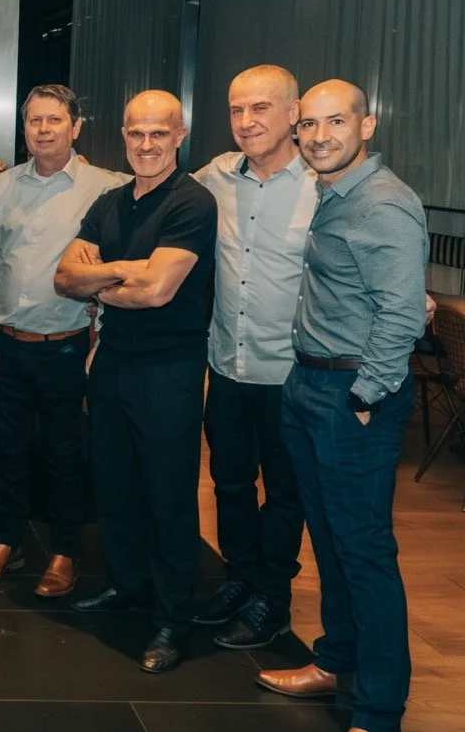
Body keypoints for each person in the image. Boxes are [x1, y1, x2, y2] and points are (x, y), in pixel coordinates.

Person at [255, 81, 428, 732]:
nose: (320, 135)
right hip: (309, 386)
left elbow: (402, 315)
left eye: (336, 121)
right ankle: (335, 661)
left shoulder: (384, 204)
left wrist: (365, 397)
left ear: (368, 124)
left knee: (363, 553)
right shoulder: (334, 193)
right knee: (328, 541)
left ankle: (379, 709)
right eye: (310, 124)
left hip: (351, 395)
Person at [54, 90, 216, 674]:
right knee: (116, 486)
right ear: (122, 135)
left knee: (168, 495)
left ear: (179, 135)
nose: (146, 145)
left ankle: (173, 618)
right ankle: (128, 589)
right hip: (114, 360)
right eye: (136, 134)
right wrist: (124, 270)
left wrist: (105, 279)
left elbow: (158, 292)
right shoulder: (110, 202)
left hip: (170, 369)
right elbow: (65, 278)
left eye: (158, 134)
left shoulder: (192, 203)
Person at [0, 85, 128, 593]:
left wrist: (101, 336)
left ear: (76, 127)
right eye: (34, 120)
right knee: (7, 450)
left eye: (54, 120)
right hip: (6, 344)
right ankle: (7, 543)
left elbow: (119, 268)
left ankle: (64, 552)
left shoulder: (109, 187)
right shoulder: (1, 186)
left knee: (64, 454)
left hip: (68, 345)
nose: (43, 129)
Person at [189, 65, 313, 649]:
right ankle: (237, 579)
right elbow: (155, 183)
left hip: (294, 374)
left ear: (293, 114)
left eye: (261, 108)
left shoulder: (324, 184)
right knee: (229, 482)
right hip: (228, 366)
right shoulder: (215, 176)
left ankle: (273, 598)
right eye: (237, 110)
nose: (246, 121)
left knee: (286, 493)